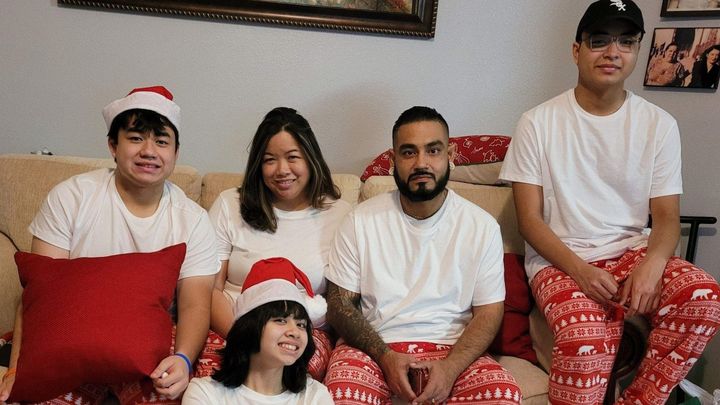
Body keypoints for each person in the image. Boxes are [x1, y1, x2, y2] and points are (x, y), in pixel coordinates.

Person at [499, 1, 720, 404]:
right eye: (599, 41)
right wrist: (580, 271)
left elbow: (666, 217)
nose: (613, 52)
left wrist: (653, 265)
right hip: (561, 261)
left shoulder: (659, 125)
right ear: (577, 50)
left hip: (631, 253)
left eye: (626, 42)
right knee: (583, 339)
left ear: (637, 50)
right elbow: (529, 220)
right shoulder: (537, 123)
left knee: (703, 296)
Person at [0, 86, 220, 405]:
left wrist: (183, 359)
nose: (149, 151)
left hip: (152, 341)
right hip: (71, 331)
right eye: (136, 138)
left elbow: (195, 305)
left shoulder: (193, 219)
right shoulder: (71, 197)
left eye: (161, 142)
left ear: (176, 153)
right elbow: (40, 296)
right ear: (113, 146)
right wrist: (16, 369)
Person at [323, 106, 521, 405]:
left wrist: (450, 368)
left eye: (433, 150)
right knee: (341, 392)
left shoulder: (482, 227)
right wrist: (385, 357)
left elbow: (489, 312)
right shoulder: (359, 221)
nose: (421, 163)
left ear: (450, 155)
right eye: (408, 152)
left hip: (452, 350)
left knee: (503, 394)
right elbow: (339, 305)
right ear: (393, 161)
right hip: (375, 348)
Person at [208, 107, 351, 381]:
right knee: (211, 375)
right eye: (270, 160)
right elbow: (210, 289)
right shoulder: (229, 204)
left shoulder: (340, 214)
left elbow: (342, 301)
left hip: (302, 334)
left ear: (311, 159)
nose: (282, 170)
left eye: (293, 157)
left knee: (288, 372)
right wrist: (245, 339)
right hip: (231, 327)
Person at [183, 258, 334, 404]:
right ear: (250, 327)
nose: (295, 332)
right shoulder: (204, 393)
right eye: (280, 320)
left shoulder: (315, 396)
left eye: (301, 324)